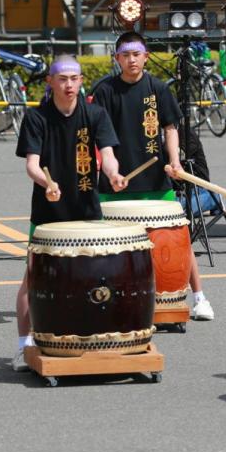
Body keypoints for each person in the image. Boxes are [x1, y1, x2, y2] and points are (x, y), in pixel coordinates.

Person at [11, 55, 127, 370]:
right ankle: (23, 346)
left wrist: (114, 174)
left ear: (81, 81)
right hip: (48, 213)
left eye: (74, 78)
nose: (69, 85)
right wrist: (46, 183)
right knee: (33, 281)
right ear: (50, 82)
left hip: (87, 211)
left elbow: (107, 154)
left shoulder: (95, 114)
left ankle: (90, 340)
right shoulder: (37, 118)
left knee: (94, 280)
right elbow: (32, 165)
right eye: (62, 79)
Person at [90, 31, 215, 320]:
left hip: (155, 180)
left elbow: (170, 128)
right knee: (106, 246)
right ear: (117, 58)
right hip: (115, 181)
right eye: (125, 55)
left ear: (146, 57)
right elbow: (98, 135)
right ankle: (105, 301)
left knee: (177, 238)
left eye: (136, 54)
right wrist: (108, 169)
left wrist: (175, 162)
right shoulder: (105, 91)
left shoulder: (157, 88)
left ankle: (199, 298)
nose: (131, 60)